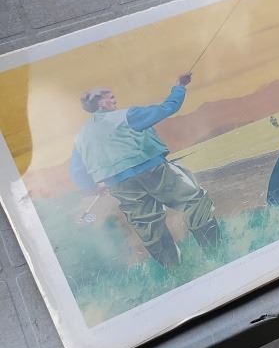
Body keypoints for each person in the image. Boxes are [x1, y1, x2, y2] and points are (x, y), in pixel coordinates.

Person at [70, 73, 220, 268]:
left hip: (119, 185)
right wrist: (179, 87)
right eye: (109, 97)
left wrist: (92, 188)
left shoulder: (81, 137)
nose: (114, 99)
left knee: (150, 229)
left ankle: (175, 271)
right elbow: (167, 108)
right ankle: (215, 254)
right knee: (195, 201)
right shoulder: (125, 116)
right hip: (153, 171)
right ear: (99, 103)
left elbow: (76, 170)